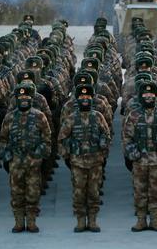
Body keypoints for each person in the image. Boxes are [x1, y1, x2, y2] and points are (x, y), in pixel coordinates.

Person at [122, 81, 157, 232]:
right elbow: (126, 137)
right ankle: (141, 220)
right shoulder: (134, 115)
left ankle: (155, 220)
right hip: (139, 161)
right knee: (139, 191)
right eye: (145, 94)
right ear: (141, 96)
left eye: (151, 94)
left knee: (155, 191)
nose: (148, 96)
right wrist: (131, 155)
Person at [58, 85, 110, 233]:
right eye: (81, 97)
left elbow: (106, 135)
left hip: (95, 162)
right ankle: (80, 221)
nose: (85, 99)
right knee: (79, 193)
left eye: (87, 97)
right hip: (77, 162)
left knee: (94, 192)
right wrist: (68, 156)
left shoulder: (98, 116)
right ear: (77, 99)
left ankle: (93, 221)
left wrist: (103, 152)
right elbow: (62, 139)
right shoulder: (71, 118)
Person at [0, 83, 52, 233]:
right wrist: (6, 155)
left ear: (31, 98)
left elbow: (47, 138)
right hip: (15, 161)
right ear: (16, 99)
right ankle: (18, 222)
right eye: (21, 97)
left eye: (26, 97)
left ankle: (31, 222)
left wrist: (39, 154)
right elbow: (3, 139)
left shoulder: (39, 116)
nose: (23, 99)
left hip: (33, 162)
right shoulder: (9, 117)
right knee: (16, 193)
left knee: (33, 192)